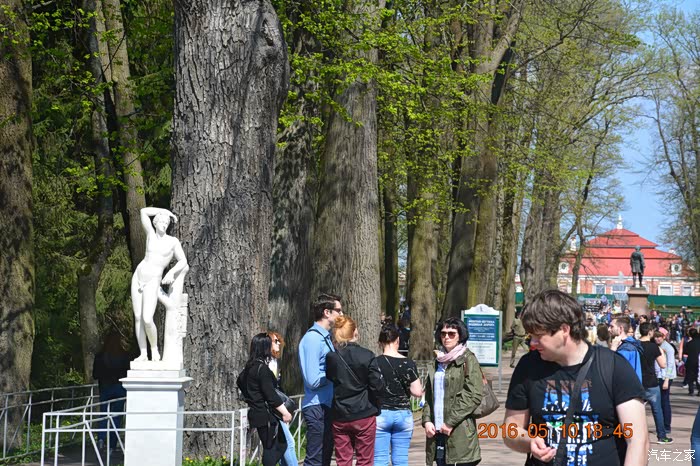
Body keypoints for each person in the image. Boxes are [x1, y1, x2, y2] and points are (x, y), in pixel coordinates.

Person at [503, 290, 648, 466]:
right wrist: (529, 441)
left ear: (564, 330)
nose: (532, 343)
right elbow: (511, 429)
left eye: (538, 336)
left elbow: (638, 441)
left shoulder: (614, 367)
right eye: (530, 336)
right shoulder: (528, 366)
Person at [422, 317, 482, 466]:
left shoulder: (468, 359)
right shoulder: (437, 361)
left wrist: (449, 422)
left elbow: (473, 395)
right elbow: (429, 395)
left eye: (451, 333)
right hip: (436, 431)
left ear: (460, 336)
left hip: (459, 431)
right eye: (443, 333)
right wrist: (427, 420)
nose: (446, 337)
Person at [131, 207, 188, 362]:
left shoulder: (172, 242)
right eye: (161, 221)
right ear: (155, 223)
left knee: (147, 318)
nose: (163, 224)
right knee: (138, 317)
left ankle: (154, 349)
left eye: (166, 222)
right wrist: (165, 211)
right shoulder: (150, 234)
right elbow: (143, 211)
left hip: (153, 280)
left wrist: (171, 273)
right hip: (139, 276)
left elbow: (183, 261)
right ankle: (143, 353)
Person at [326, 316, 384, 466]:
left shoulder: (332, 357)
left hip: (340, 413)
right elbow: (377, 385)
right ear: (355, 332)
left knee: (343, 460)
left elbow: (330, 378)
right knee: (365, 460)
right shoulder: (367, 355)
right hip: (364, 412)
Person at [299, 293, 342, 466]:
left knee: (324, 457)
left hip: (327, 404)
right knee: (315, 459)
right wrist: (334, 375)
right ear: (327, 312)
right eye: (338, 310)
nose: (341, 314)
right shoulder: (312, 339)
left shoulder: (326, 338)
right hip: (316, 406)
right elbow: (312, 380)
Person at [237, 333, 293, 466]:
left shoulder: (248, 368)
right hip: (266, 415)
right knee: (271, 448)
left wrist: (252, 397)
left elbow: (240, 382)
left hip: (257, 413)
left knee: (280, 445)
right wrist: (285, 412)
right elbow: (271, 396)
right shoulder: (261, 369)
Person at [373, 324, 423, 466]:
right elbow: (417, 391)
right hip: (403, 414)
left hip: (381, 413)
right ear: (398, 340)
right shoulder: (408, 363)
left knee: (379, 459)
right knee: (401, 460)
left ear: (380, 342)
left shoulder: (375, 363)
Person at [92, 332, 130, 451]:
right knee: (116, 417)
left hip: (105, 388)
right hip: (119, 388)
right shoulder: (124, 356)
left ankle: (101, 439)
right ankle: (112, 444)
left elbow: (95, 375)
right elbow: (127, 373)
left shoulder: (100, 356)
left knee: (103, 414)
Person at [638, 322, 672, 444]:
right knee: (657, 410)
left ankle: (636, 436)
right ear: (650, 332)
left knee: (637, 410)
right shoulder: (653, 347)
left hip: (637, 381)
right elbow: (663, 364)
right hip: (651, 381)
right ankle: (661, 436)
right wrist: (661, 352)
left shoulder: (635, 345)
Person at [268, 331, 298, 466]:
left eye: (279, 340)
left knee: (283, 444)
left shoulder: (274, 361)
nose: (279, 343)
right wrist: (283, 411)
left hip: (277, 408)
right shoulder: (267, 362)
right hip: (273, 409)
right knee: (288, 443)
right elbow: (270, 391)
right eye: (275, 341)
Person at [654, 328, 676, 435]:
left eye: (659, 336)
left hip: (665, 377)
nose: (657, 338)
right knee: (659, 402)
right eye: (656, 336)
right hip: (658, 376)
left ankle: (667, 426)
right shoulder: (656, 346)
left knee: (664, 402)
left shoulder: (668, 348)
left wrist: (667, 379)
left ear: (664, 337)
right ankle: (662, 425)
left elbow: (670, 364)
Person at [609, 316, 643, 383]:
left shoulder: (625, 349)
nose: (609, 329)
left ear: (621, 329)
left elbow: (612, 369)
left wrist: (613, 349)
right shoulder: (630, 344)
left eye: (612, 326)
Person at [683, 328, 700, 395]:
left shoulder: (689, 343)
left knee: (690, 376)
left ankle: (691, 390)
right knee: (698, 375)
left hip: (691, 361)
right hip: (698, 360)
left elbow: (685, 352)